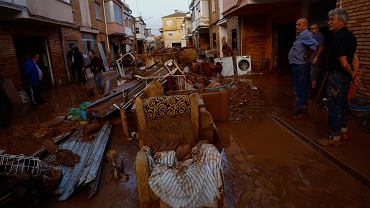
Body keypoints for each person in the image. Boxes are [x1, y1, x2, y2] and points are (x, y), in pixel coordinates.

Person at [318, 8, 361, 146]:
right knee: (342, 103)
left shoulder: (340, 37)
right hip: (344, 77)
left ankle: (333, 136)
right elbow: (354, 59)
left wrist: (353, 74)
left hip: (337, 76)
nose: (329, 22)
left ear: (341, 21)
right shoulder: (350, 36)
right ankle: (343, 131)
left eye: (332, 19)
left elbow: (343, 62)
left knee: (334, 105)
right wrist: (354, 74)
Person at [288, 18, 318, 119]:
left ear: (305, 26)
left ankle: (300, 110)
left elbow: (314, 45)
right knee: (300, 86)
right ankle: (302, 107)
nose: (297, 26)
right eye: (296, 25)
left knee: (299, 88)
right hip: (297, 65)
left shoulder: (306, 34)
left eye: (299, 25)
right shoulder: (301, 35)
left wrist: (306, 56)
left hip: (300, 65)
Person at [309, 23, 325, 97]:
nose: (312, 30)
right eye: (311, 29)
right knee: (312, 74)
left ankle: (314, 93)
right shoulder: (312, 36)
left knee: (314, 74)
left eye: (313, 28)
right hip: (311, 58)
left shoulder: (319, 35)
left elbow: (321, 47)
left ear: (317, 29)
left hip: (316, 59)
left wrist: (316, 57)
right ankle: (313, 91)